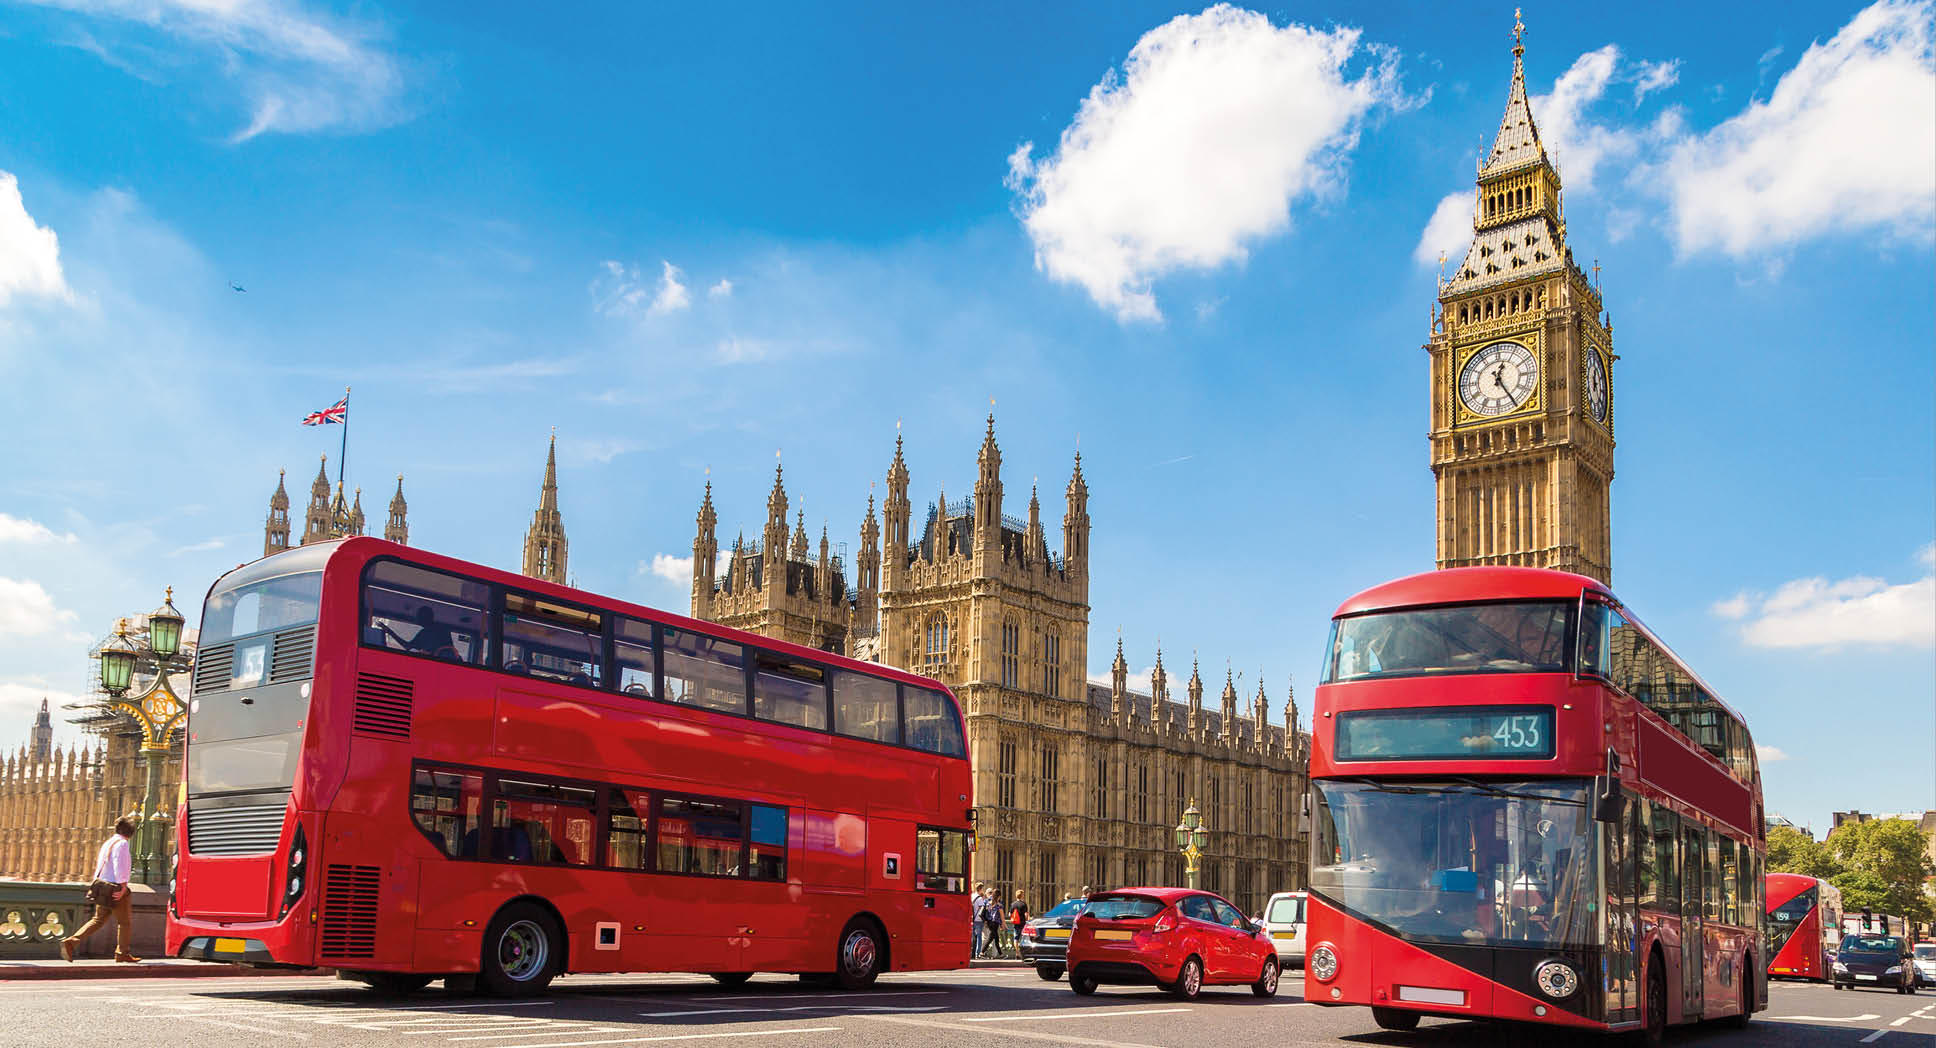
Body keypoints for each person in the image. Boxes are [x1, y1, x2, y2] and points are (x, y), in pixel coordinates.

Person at [62, 816, 140, 963]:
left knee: (98, 920)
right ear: (131, 833)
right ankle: (122, 953)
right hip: (115, 888)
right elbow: (120, 866)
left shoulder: (109, 842)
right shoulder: (122, 844)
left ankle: (71, 942)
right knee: (125, 922)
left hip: (103, 886)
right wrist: (123, 887)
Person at [1009, 891, 1030, 956]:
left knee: (1016, 939)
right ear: (1022, 896)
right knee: (1024, 938)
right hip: (1023, 923)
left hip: (1016, 924)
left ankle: (1017, 953)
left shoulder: (1013, 904)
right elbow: (1026, 914)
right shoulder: (1024, 904)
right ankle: (1022, 953)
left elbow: (1010, 914)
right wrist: (1027, 921)